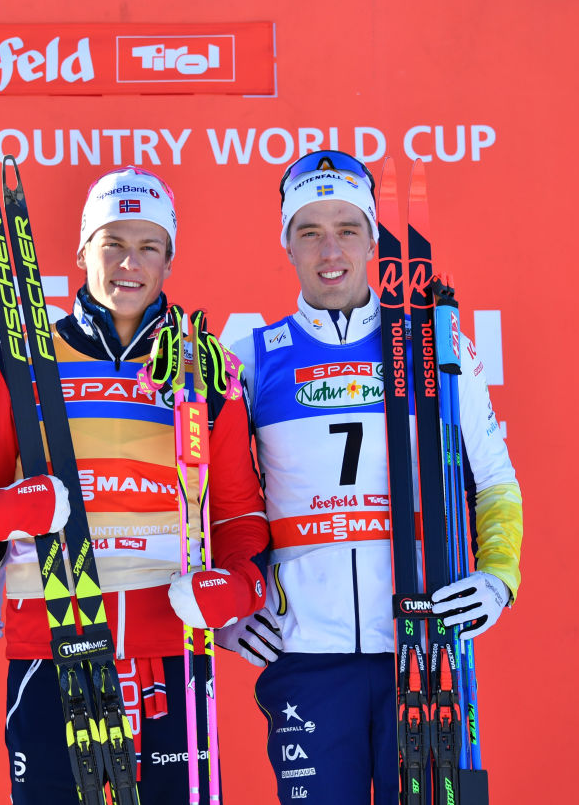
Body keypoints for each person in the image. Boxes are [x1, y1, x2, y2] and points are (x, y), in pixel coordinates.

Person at [0, 166, 270, 804]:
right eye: (112, 243)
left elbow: (240, 519)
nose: (129, 264)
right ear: (83, 250)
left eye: (148, 247)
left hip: (172, 652)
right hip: (49, 643)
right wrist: (10, 508)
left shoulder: (207, 369)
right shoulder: (20, 360)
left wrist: (241, 588)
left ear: (170, 258)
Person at [216, 150, 523, 804]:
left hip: (421, 645)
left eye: (348, 228)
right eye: (310, 230)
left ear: (374, 239)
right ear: (287, 244)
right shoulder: (247, 360)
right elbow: (209, 501)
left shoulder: (433, 346)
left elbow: (492, 476)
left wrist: (499, 576)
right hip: (304, 657)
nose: (331, 249)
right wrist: (227, 613)